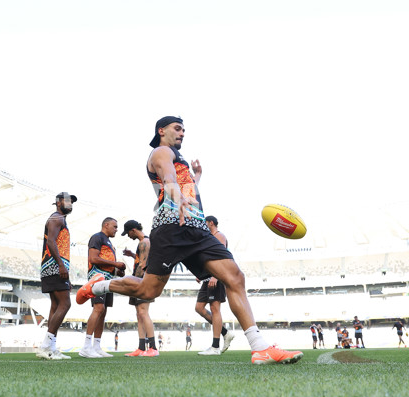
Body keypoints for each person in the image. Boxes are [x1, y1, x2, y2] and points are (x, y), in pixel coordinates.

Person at [77, 116, 303, 365]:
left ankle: (260, 347)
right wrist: (178, 197)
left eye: (184, 129)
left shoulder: (179, 158)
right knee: (147, 290)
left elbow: (184, 185)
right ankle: (99, 285)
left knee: (235, 277)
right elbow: (169, 179)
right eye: (177, 128)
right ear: (161, 131)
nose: (182, 133)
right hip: (171, 229)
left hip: (197, 230)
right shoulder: (161, 152)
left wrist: (196, 178)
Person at [37, 192, 77, 361]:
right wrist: (61, 265)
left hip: (51, 266)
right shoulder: (56, 218)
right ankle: (46, 346)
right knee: (65, 304)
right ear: (59, 202)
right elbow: (51, 242)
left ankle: (51, 347)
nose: (70, 204)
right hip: (53, 265)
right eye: (68, 201)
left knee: (55, 305)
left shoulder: (59, 219)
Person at [78, 217, 126, 358]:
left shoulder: (110, 243)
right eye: (115, 226)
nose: (116, 229)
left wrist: (117, 271)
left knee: (103, 312)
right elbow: (93, 259)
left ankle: (97, 346)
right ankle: (86, 346)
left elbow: (107, 264)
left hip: (108, 278)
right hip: (97, 277)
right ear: (106, 225)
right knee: (98, 308)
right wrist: (116, 264)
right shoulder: (97, 237)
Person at [196, 216, 235, 356]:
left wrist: (215, 276)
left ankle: (215, 346)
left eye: (205, 223)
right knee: (199, 308)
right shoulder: (208, 238)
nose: (204, 226)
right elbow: (208, 258)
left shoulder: (220, 236)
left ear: (211, 223)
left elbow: (221, 257)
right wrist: (201, 274)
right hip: (207, 277)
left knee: (214, 308)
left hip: (216, 277)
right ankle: (225, 332)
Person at [122, 220, 159, 357]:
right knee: (139, 314)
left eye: (128, 233)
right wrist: (133, 255)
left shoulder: (144, 242)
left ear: (133, 230)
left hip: (142, 281)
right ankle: (141, 347)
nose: (128, 236)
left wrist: (134, 283)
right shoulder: (144, 242)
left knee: (143, 313)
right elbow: (143, 260)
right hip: (141, 280)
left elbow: (142, 266)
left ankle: (153, 348)